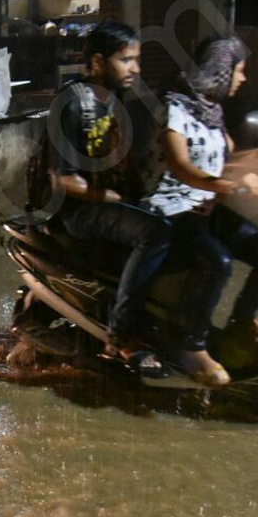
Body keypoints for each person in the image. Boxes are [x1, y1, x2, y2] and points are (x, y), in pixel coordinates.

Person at [141, 36, 258, 387]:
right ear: (219, 71)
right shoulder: (173, 109)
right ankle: (193, 345)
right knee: (218, 260)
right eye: (239, 70)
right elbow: (182, 166)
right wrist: (224, 184)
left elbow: (231, 160)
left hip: (207, 206)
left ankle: (241, 322)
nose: (242, 78)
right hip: (172, 209)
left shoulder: (213, 113)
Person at [38, 21, 172, 372]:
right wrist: (108, 198)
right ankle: (122, 336)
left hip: (104, 201)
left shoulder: (114, 100)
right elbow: (61, 180)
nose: (136, 68)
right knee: (154, 234)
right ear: (98, 62)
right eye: (127, 60)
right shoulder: (71, 104)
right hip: (76, 211)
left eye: (137, 59)